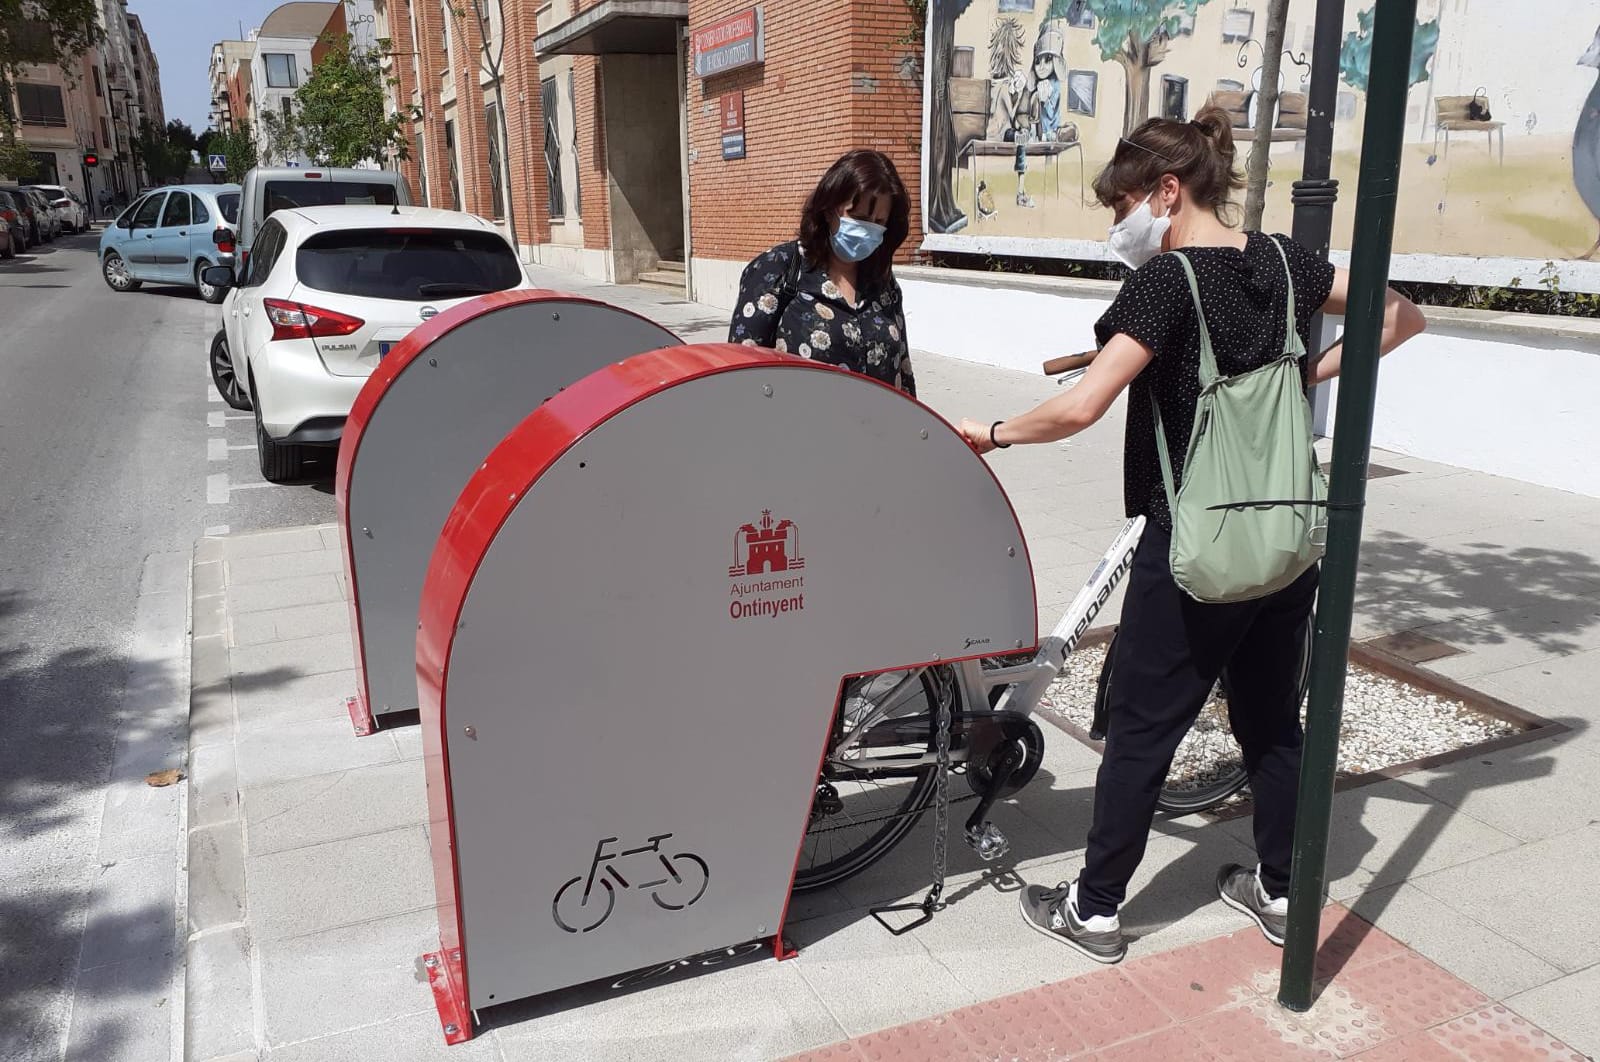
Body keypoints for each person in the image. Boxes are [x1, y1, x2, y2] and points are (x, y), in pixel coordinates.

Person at [957, 106, 1426, 964]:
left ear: (1167, 191)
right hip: (1285, 537)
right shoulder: (1287, 262)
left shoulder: (1168, 282)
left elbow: (1082, 405)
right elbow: (1401, 318)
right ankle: (1283, 892)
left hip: (1193, 547)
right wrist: (1300, 374)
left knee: (1142, 731)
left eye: (1122, 205)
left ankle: (1094, 910)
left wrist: (987, 433)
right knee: (1273, 723)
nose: (1117, 226)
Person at [729, 149, 916, 396]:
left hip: (875, 431)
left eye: (879, 222)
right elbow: (740, 370)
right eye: (858, 217)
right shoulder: (778, 269)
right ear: (829, 210)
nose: (867, 229)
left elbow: (902, 370)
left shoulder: (881, 281)